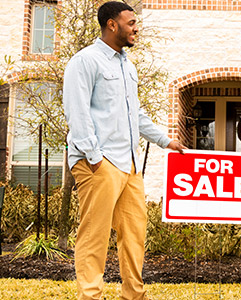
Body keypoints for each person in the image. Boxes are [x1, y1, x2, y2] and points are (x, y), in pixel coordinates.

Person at [62, 2, 184, 299]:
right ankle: (90, 295)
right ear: (112, 25)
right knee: (94, 234)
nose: (136, 28)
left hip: (128, 165)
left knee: (134, 235)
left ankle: (134, 295)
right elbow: (77, 113)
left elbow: (135, 114)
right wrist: (93, 157)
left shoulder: (126, 65)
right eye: (131, 23)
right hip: (99, 162)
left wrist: (165, 140)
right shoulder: (85, 61)